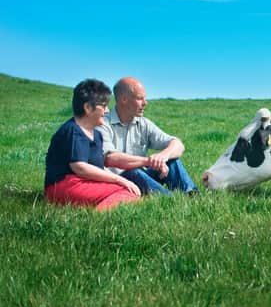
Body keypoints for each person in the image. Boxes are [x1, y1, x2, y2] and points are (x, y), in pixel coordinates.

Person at [44, 79, 142, 211]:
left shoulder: (97, 135)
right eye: (104, 106)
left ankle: (100, 208)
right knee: (127, 193)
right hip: (63, 185)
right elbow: (80, 167)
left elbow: (97, 169)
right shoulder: (73, 130)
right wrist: (119, 180)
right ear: (88, 108)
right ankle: (98, 216)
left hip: (84, 183)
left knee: (130, 193)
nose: (107, 111)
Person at [97, 77, 198, 196]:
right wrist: (149, 162)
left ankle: (192, 196)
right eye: (140, 98)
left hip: (142, 177)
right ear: (124, 99)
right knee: (133, 172)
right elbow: (110, 159)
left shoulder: (144, 123)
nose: (145, 103)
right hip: (118, 182)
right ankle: (169, 200)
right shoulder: (102, 124)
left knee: (172, 161)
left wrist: (163, 156)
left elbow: (178, 144)